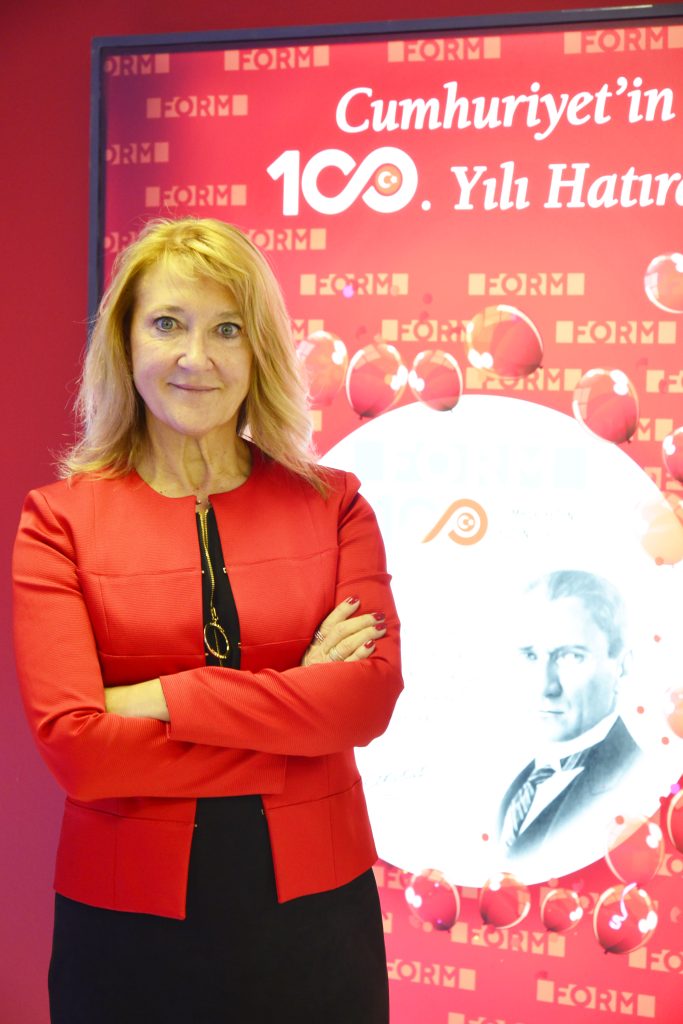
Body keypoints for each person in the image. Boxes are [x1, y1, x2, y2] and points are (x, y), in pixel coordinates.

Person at [12, 217, 403, 1023]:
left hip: (316, 924)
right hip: (124, 928)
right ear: (123, 342)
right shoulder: (57, 522)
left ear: (259, 351)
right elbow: (79, 752)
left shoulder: (336, 506)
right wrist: (297, 707)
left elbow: (364, 701)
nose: (197, 357)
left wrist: (154, 699)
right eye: (168, 324)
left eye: (228, 329)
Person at [498, 569, 641, 865]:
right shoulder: (517, 787)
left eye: (571, 656)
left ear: (622, 667)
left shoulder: (640, 785)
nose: (545, 687)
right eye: (530, 656)